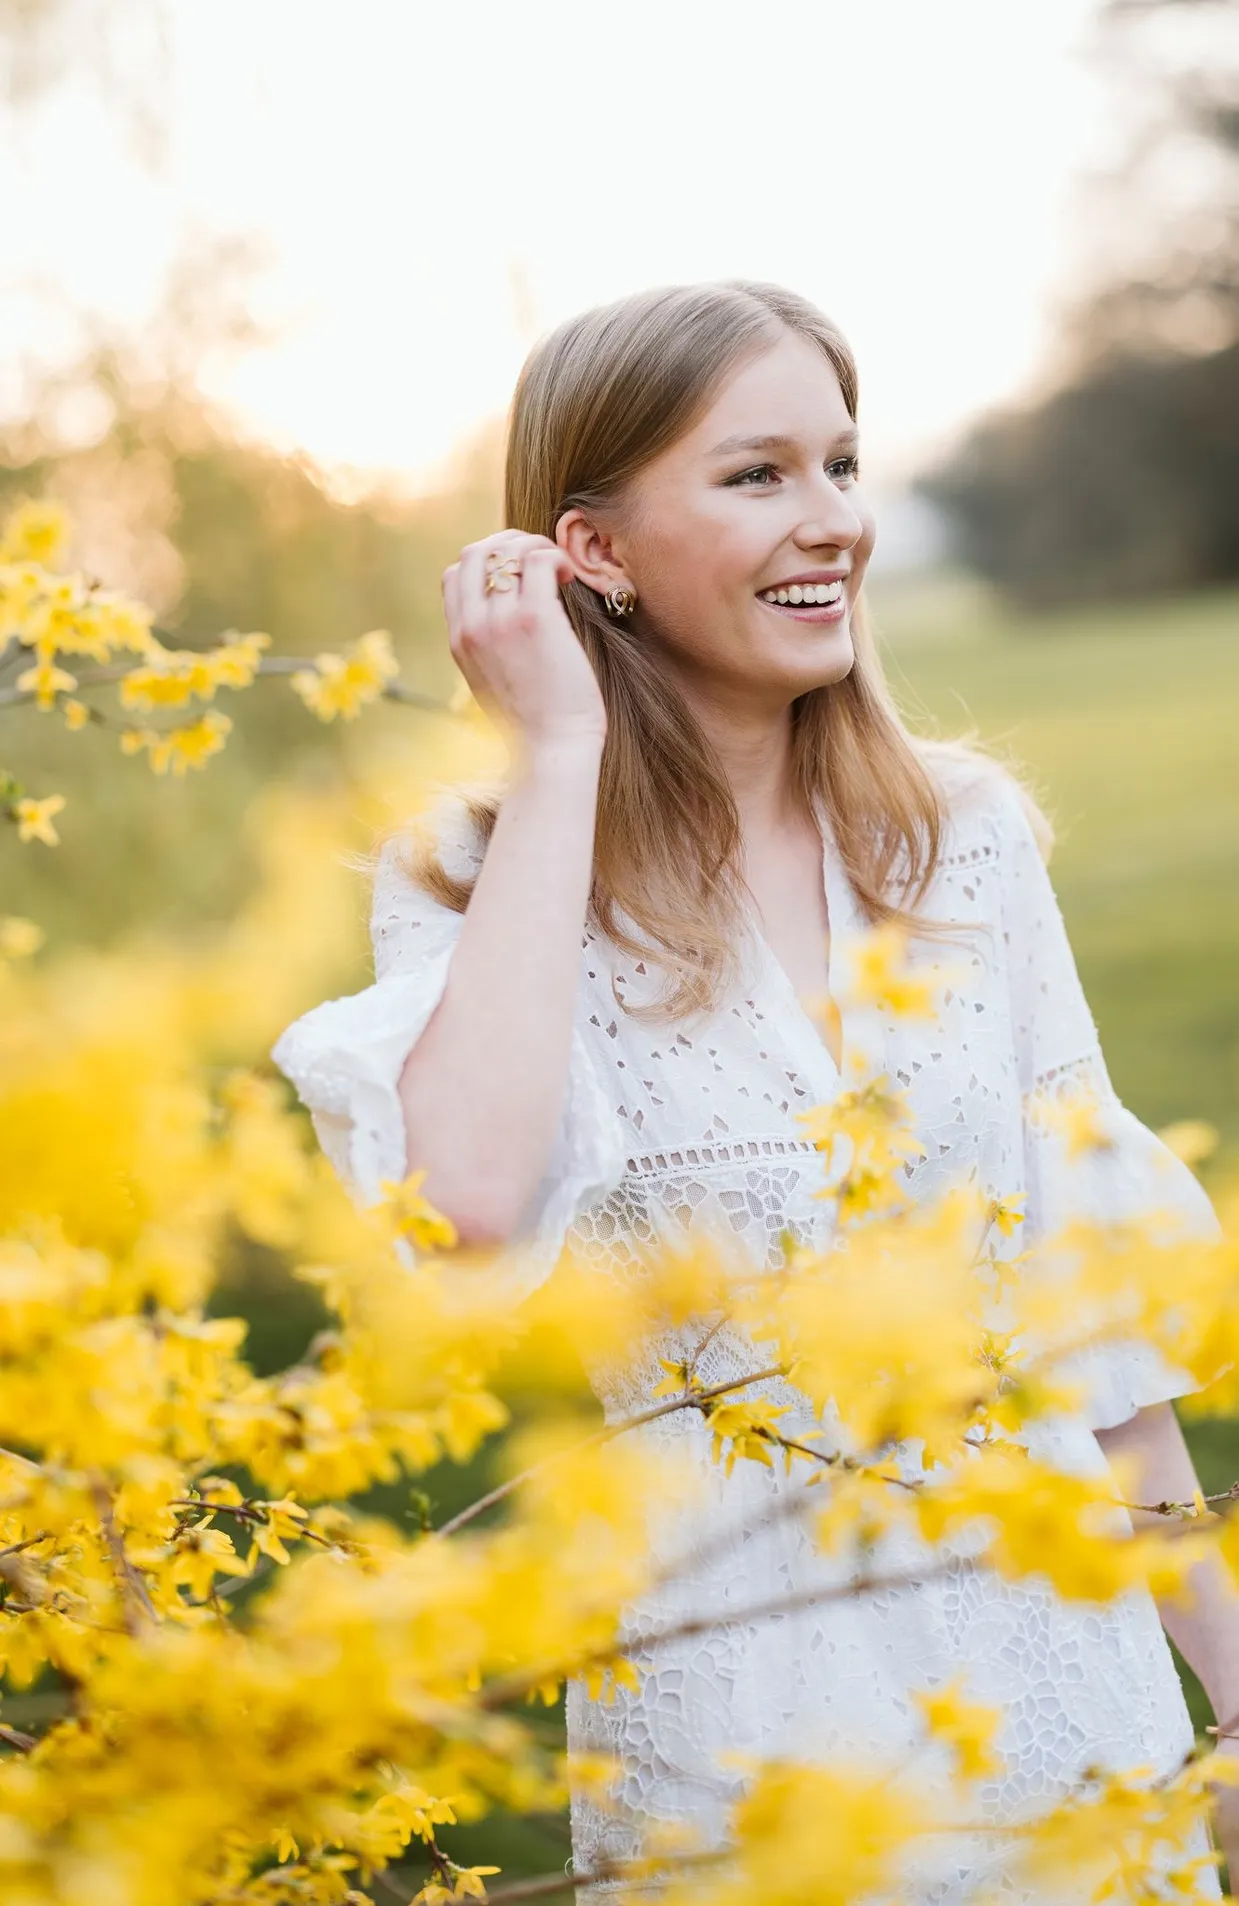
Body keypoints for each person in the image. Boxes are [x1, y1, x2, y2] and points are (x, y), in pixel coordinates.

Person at [271, 281, 1239, 1900]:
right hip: (741, 1738)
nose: (831, 523)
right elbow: (466, 1209)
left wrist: (1229, 1684)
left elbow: (1089, 1316)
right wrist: (558, 759)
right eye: (757, 474)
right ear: (593, 549)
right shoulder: (469, 871)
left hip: (1074, 1715)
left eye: (841, 465)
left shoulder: (962, 837)